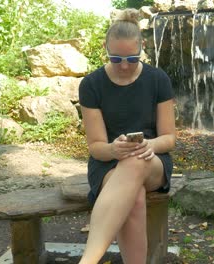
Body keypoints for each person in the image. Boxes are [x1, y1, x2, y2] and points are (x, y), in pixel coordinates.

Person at [78, 8, 176, 264]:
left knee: (135, 160)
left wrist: (148, 144)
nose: (123, 66)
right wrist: (113, 149)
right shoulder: (91, 85)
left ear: (142, 47)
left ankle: (87, 260)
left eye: (132, 59)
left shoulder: (158, 79)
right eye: (116, 58)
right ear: (105, 48)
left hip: (151, 161)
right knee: (134, 198)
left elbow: (169, 139)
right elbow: (96, 147)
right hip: (108, 164)